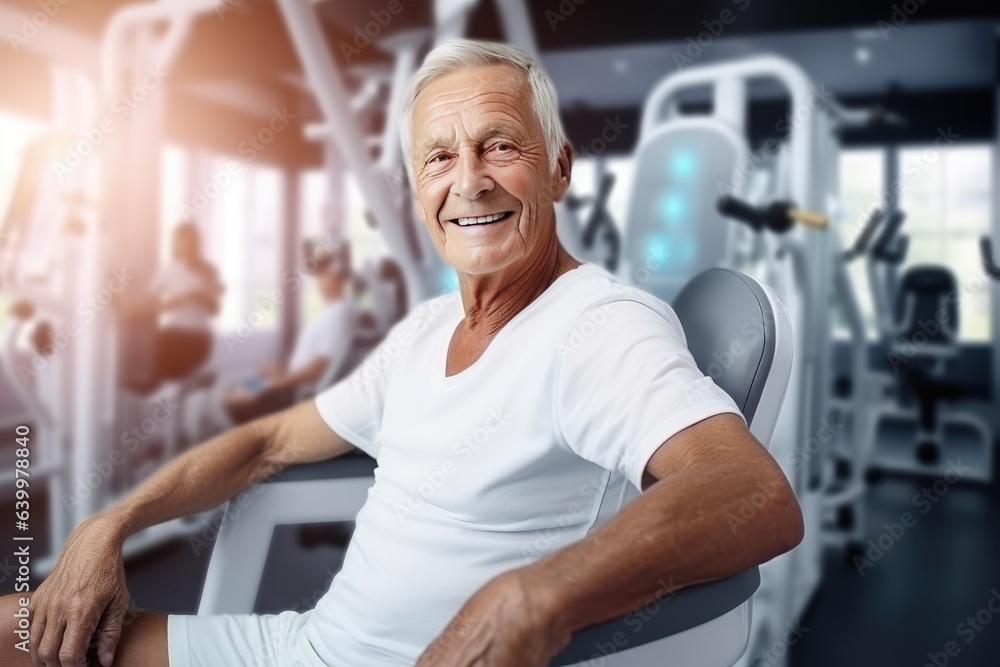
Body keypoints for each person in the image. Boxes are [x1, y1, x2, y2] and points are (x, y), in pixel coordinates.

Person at [0, 40, 804, 667]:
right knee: (13, 626)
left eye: (500, 146)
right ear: (419, 190)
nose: (470, 181)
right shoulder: (424, 332)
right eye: (440, 157)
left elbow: (749, 493)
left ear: (558, 167)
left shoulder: (599, 325)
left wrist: (537, 595)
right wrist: (110, 522)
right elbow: (271, 439)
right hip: (300, 644)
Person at [183, 241, 356, 438]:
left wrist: (274, 384)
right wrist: (280, 371)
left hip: (286, 394)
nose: (319, 280)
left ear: (338, 276)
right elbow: (308, 361)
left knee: (214, 402)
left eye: (325, 274)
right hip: (284, 383)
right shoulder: (329, 312)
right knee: (226, 387)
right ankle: (201, 416)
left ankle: (200, 444)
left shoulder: (341, 314)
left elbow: (317, 369)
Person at [122, 222, 223, 393]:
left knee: (168, 372)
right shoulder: (168, 271)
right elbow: (151, 304)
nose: (186, 246)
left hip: (198, 338)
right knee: (156, 354)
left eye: (190, 242)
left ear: (197, 244)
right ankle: (150, 383)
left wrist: (202, 297)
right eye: (182, 242)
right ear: (176, 244)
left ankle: (189, 380)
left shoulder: (209, 271)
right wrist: (185, 298)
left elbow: (215, 310)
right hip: (173, 334)